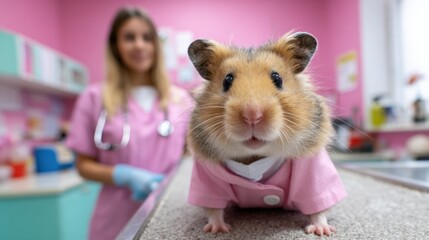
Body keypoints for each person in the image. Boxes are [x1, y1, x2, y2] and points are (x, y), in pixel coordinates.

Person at [66, 6, 193, 240]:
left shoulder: (181, 100)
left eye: (147, 37)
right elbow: (83, 165)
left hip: (169, 214)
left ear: (156, 45)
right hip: (114, 220)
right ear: (116, 46)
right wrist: (123, 175)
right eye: (129, 37)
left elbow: (191, 157)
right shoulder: (94, 97)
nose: (139, 45)